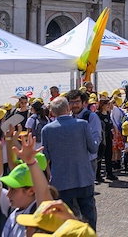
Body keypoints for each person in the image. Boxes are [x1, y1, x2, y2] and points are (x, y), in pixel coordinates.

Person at [40, 96, 98, 230]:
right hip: (83, 177)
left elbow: (45, 157)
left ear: (53, 112)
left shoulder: (47, 130)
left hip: (61, 181)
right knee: (89, 216)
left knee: (65, 218)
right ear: (68, 108)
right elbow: (93, 148)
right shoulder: (82, 124)